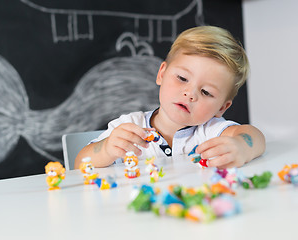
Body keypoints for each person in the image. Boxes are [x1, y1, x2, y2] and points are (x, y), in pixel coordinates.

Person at [74, 26, 265, 169]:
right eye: (182, 78)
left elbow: (255, 137)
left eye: (206, 92)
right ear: (162, 74)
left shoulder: (210, 132)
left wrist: (241, 146)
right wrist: (107, 149)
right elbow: (79, 164)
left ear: (222, 108)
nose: (190, 94)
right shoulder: (131, 126)